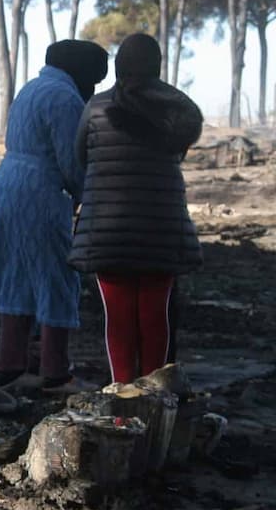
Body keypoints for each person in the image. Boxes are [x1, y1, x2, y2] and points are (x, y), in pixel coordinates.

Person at [69, 33, 203, 384]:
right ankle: (155, 395)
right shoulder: (177, 110)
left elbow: (80, 157)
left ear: (119, 66)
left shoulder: (96, 107)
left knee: (119, 319)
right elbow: (178, 154)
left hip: (107, 232)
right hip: (161, 228)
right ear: (157, 67)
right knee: (155, 316)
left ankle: (123, 401)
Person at [0, 40, 109, 393]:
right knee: (56, 277)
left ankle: (9, 367)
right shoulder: (64, 98)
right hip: (39, 192)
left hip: (6, 185)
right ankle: (56, 373)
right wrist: (90, 198)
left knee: (16, 277)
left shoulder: (32, 88)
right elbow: (72, 161)